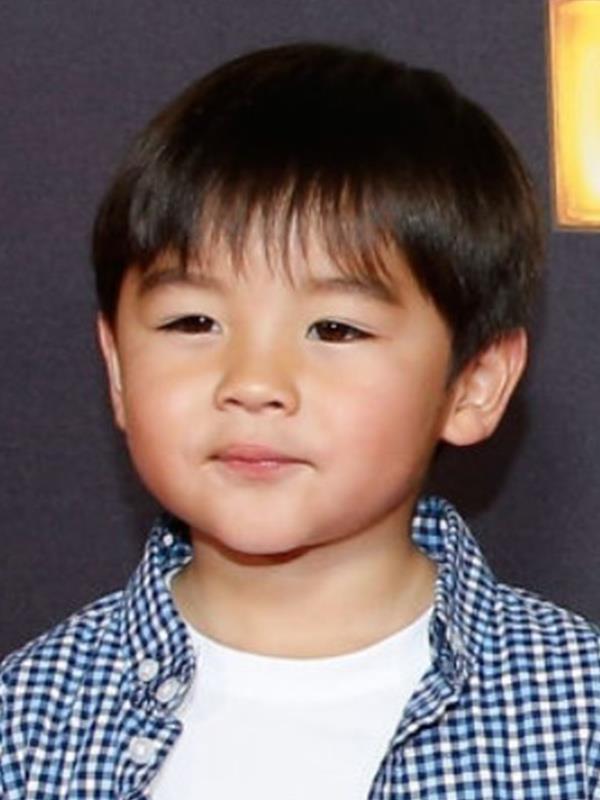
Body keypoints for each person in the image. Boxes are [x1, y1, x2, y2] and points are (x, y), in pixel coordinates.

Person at [1, 42, 599, 800]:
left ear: (474, 384)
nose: (254, 383)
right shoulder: (28, 725)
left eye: (335, 329)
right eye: (193, 322)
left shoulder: (579, 719)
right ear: (117, 368)